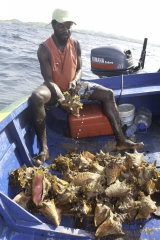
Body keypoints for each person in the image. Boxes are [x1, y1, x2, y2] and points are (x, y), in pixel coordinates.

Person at [31, 8, 144, 165]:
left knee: (108, 94)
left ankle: (121, 140)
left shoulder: (76, 44)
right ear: (53, 25)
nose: (66, 30)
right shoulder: (43, 49)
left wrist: (75, 80)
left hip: (74, 88)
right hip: (53, 89)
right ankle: (44, 149)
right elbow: (48, 80)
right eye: (61, 26)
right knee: (37, 97)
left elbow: (79, 69)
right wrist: (61, 98)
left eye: (69, 25)